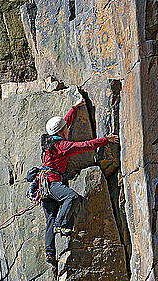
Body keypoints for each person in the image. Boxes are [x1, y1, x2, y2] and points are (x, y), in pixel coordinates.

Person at [38, 98, 119, 266]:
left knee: (50, 217)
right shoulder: (64, 147)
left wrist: (75, 108)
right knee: (72, 198)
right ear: (62, 132)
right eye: (66, 129)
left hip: (43, 185)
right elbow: (85, 146)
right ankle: (61, 224)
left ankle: (50, 252)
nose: (69, 129)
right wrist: (105, 140)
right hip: (51, 183)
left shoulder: (49, 141)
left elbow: (65, 122)